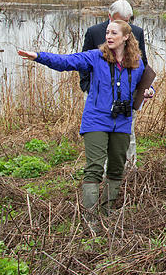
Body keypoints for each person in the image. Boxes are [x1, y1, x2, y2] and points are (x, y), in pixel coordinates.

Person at [19, 19, 154, 218]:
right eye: (107, 32)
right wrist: (39, 57)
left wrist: (149, 91)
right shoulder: (95, 57)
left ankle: (107, 211)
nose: (108, 36)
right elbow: (66, 62)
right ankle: (90, 217)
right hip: (97, 120)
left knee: (117, 167)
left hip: (123, 121)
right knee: (95, 168)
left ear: (126, 37)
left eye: (114, 33)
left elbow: (142, 86)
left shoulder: (137, 62)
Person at [80, 0, 151, 167]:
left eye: (127, 22)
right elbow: (83, 62)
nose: (123, 25)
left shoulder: (137, 32)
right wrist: (87, 86)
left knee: (128, 134)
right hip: (98, 95)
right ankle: (102, 170)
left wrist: (143, 91)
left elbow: (143, 64)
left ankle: (129, 168)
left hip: (125, 96)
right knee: (101, 135)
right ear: (109, 16)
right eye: (118, 20)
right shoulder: (95, 32)